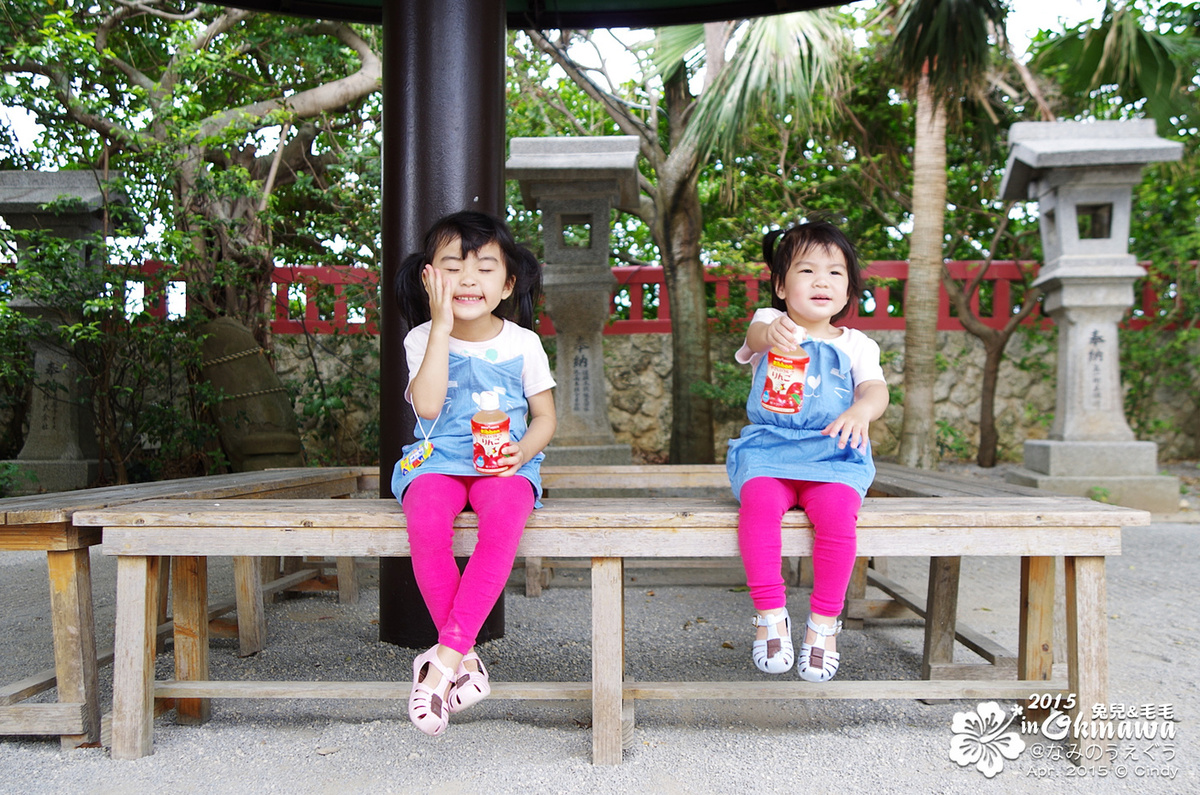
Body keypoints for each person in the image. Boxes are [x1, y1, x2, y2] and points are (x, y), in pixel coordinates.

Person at [392, 210, 556, 736]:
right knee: (425, 525)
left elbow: (546, 417)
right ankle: (460, 660)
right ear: (428, 278)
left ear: (507, 283)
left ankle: (441, 660)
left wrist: (521, 451)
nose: (468, 279)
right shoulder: (421, 338)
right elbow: (428, 405)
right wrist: (441, 327)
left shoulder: (522, 343)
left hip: (502, 462)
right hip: (438, 458)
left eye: (485, 267)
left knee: (504, 524)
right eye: (452, 266)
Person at [725, 220, 889, 682]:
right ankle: (770, 612)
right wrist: (773, 334)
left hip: (832, 455)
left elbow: (876, 390)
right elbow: (755, 341)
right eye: (807, 271)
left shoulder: (858, 344)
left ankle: (824, 623)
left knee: (838, 517)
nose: (822, 281)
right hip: (769, 452)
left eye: (835, 273)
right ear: (781, 285)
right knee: (757, 507)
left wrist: (862, 411)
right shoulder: (770, 324)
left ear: (849, 288)